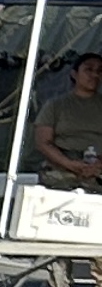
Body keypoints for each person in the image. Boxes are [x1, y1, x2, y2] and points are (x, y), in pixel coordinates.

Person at [32, 50, 102, 188]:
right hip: (61, 167)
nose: (94, 75)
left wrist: (97, 165)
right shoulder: (55, 105)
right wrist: (69, 164)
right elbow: (43, 143)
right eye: (88, 69)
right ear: (74, 74)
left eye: (99, 71)